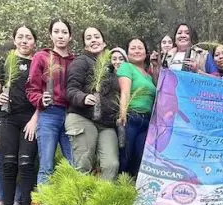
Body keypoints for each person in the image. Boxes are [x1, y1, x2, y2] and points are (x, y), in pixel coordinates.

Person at [0, 25, 39, 205]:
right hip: (6, 118)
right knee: (8, 163)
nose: (24, 40)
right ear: (14, 39)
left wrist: (35, 119)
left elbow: (43, 96)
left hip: (30, 118)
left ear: (34, 42)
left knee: (26, 163)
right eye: (20, 37)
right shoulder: (6, 62)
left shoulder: (39, 62)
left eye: (28, 37)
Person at [65, 27, 120, 180]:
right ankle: (81, 203)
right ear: (85, 45)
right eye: (89, 38)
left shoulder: (110, 68)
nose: (93, 40)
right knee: (84, 165)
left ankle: (103, 201)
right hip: (82, 118)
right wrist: (83, 97)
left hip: (106, 124)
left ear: (104, 42)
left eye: (97, 36)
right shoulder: (81, 62)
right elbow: (70, 89)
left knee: (111, 164)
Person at [26, 18, 75, 184]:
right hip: (48, 114)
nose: (60, 36)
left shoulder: (75, 61)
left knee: (73, 164)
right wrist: (41, 99)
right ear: (50, 35)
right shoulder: (41, 57)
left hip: (71, 116)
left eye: (64, 32)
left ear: (70, 37)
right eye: (56, 32)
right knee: (46, 164)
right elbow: (31, 88)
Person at [117, 38, 157, 176]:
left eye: (140, 48)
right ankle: (117, 190)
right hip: (131, 117)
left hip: (146, 122)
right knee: (125, 157)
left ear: (146, 52)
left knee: (140, 159)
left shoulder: (148, 76)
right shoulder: (126, 67)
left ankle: (133, 191)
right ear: (127, 53)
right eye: (132, 48)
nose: (137, 51)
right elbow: (125, 91)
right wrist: (122, 115)